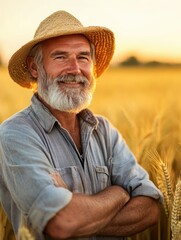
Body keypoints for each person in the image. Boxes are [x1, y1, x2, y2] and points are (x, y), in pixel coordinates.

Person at [0, 10, 163, 240]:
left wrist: (80, 214)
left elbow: (151, 209)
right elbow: (62, 223)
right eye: (60, 57)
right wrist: (118, 194)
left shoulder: (105, 131)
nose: (75, 69)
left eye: (83, 57)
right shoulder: (16, 134)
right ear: (35, 68)